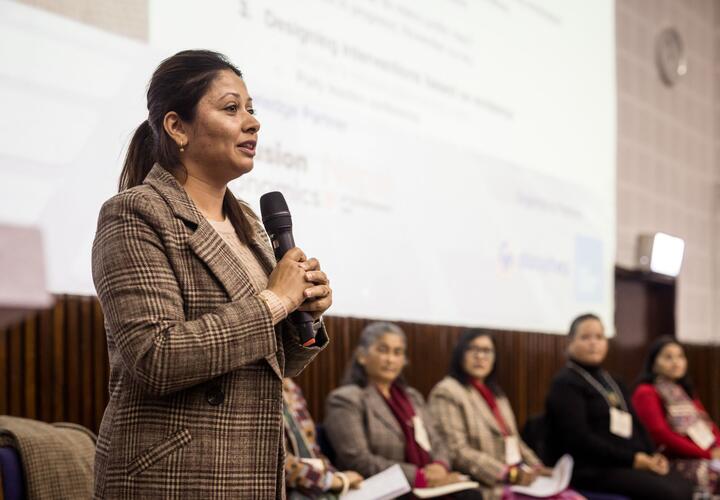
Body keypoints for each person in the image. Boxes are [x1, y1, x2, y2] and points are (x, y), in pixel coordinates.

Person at [91, 50, 331, 498]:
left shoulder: (249, 222)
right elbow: (154, 357)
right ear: (177, 127)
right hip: (174, 475)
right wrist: (275, 302)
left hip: (252, 470)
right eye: (230, 108)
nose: (253, 122)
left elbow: (269, 364)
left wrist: (305, 314)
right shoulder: (136, 213)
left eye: (252, 109)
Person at [323, 322, 483, 499]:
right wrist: (418, 476)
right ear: (362, 356)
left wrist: (440, 465)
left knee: (471, 495)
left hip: (427, 486)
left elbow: (438, 441)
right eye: (383, 350)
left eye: (397, 352)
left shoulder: (412, 397)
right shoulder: (346, 399)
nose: (390, 359)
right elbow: (357, 460)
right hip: (380, 489)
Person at [544, 314, 693, 500]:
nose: (593, 343)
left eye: (599, 337)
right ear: (570, 342)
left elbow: (637, 424)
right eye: (585, 337)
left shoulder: (613, 380)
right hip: (591, 467)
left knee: (684, 485)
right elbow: (579, 439)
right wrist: (633, 460)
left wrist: (652, 454)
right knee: (669, 493)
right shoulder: (565, 383)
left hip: (624, 463)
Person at [429, 330, 574, 500]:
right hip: (485, 483)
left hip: (518, 478)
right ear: (460, 353)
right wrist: (508, 474)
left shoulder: (497, 394)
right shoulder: (447, 391)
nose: (480, 356)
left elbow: (514, 440)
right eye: (473, 349)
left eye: (487, 351)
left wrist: (536, 467)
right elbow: (457, 451)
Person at [632, 336, 720, 495]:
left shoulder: (683, 391)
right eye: (668, 357)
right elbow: (660, 435)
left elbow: (708, 426)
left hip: (700, 455)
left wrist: (718, 448)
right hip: (669, 460)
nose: (676, 362)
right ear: (654, 363)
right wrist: (707, 454)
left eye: (680, 356)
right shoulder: (646, 392)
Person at [282, 378, 363, 499]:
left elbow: (312, 451)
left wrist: (337, 476)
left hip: (314, 486)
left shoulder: (289, 385)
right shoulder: (252, 386)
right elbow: (276, 462)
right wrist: (333, 481)